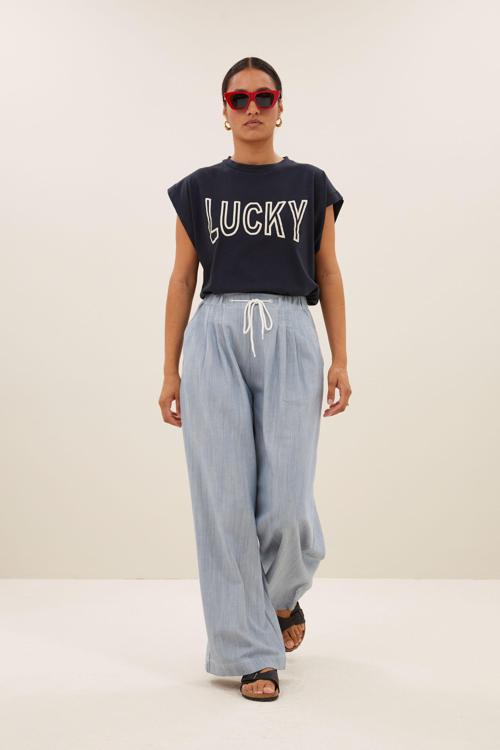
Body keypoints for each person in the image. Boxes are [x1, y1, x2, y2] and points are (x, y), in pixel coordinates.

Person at [158, 56, 352, 702]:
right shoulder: (197, 190)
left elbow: (329, 272)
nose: (251, 108)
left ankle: (281, 596)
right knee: (224, 501)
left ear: (280, 106)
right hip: (214, 333)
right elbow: (182, 278)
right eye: (238, 99)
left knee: (288, 501)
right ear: (224, 110)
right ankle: (251, 654)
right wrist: (169, 369)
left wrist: (341, 358)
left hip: (291, 330)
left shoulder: (311, 184)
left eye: (263, 96)